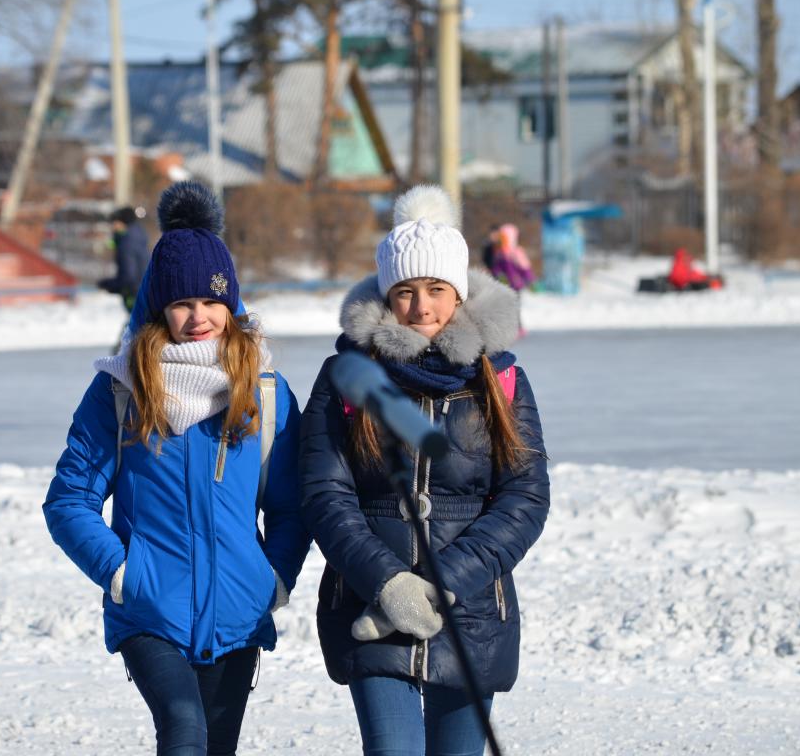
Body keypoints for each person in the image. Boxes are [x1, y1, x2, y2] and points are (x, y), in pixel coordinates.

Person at [43, 181, 311, 756]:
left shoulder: (265, 391)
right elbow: (68, 501)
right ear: (160, 307)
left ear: (231, 303)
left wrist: (272, 578)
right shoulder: (121, 390)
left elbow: (291, 506)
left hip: (238, 611)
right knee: (183, 729)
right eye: (183, 303)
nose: (199, 317)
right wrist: (122, 573)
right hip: (149, 610)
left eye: (212, 302)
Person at [299, 185, 550, 756]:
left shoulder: (501, 381)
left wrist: (442, 583)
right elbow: (324, 492)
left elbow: (525, 498)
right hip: (371, 607)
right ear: (387, 296)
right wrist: (389, 583)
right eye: (405, 291)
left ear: (458, 293)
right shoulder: (345, 377)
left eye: (436, 289)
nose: (421, 307)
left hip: (470, 613)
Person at [99, 205, 150, 314]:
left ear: (123, 223)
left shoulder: (127, 244)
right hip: (144, 293)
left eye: (114, 223)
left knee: (137, 323)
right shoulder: (138, 238)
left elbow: (128, 277)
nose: (112, 227)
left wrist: (108, 284)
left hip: (134, 295)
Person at [489, 223, 536, 293]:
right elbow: (496, 267)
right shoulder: (498, 253)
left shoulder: (515, 252)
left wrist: (531, 281)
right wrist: (499, 275)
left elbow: (525, 268)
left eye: (504, 238)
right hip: (506, 284)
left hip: (516, 284)